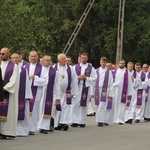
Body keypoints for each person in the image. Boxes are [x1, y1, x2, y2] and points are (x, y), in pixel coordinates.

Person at [70, 52, 97, 127]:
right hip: (77, 87)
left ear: (87, 58)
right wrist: (78, 77)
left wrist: (86, 78)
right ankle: (74, 121)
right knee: (75, 104)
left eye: (85, 58)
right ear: (80, 58)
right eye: (82, 58)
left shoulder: (91, 68)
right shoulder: (75, 67)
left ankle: (82, 121)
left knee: (83, 105)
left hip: (85, 88)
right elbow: (71, 77)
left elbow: (95, 78)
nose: (84, 59)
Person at [25, 50, 48, 135]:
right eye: (31, 56)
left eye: (35, 56)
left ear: (37, 57)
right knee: (26, 110)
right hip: (26, 92)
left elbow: (45, 81)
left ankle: (32, 128)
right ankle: (25, 127)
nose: (33, 58)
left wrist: (36, 78)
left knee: (34, 110)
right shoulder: (25, 67)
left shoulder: (42, 68)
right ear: (29, 57)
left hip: (36, 91)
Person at [53, 53, 78, 131]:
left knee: (66, 107)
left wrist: (73, 92)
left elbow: (74, 80)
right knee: (57, 107)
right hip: (57, 92)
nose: (64, 60)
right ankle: (56, 124)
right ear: (58, 60)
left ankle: (64, 122)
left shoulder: (70, 68)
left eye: (65, 59)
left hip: (66, 91)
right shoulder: (54, 68)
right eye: (63, 59)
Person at [11, 53, 32, 136]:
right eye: (14, 58)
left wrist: (27, 95)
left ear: (20, 59)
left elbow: (27, 83)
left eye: (17, 57)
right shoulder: (9, 69)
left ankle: (21, 131)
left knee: (22, 111)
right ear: (11, 59)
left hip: (21, 94)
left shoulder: (23, 70)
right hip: (12, 94)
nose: (16, 59)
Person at [39, 55, 61, 134]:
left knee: (47, 110)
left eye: (49, 60)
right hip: (39, 92)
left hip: (49, 93)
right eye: (46, 60)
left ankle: (44, 127)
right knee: (38, 110)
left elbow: (57, 85)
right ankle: (37, 126)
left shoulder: (55, 72)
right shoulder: (39, 69)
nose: (48, 62)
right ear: (42, 61)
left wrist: (58, 97)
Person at [0, 48, 19, 139]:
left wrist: (4, 88)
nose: (1, 55)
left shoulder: (14, 66)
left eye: (3, 54)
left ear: (8, 54)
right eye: (0, 53)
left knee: (8, 112)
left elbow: (13, 80)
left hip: (8, 92)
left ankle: (6, 132)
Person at [94, 57, 114, 127]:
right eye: (102, 62)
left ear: (106, 63)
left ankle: (100, 121)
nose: (103, 63)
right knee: (97, 105)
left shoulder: (109, 72)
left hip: (105, 90)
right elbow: (92, 82)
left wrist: (110, 94)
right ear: (100, 62)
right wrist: (91, 93)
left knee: (102, 105)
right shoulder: (96, 71)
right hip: (96, 89)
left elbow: (111, 83)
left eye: (104, 62)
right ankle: (99, 119)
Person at [113, 59, 133, 125]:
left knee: (122, 105)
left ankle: (121, 119)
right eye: (121, 63)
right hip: (116, 91)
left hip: (123, 91)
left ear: (125, 64)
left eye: (123, 63)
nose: (122, 64)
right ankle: (115, 118)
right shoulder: (115, 71)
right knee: (115, 104)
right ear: (118, 64)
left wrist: (129, 92)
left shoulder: (127, 72)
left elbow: (130, 83)